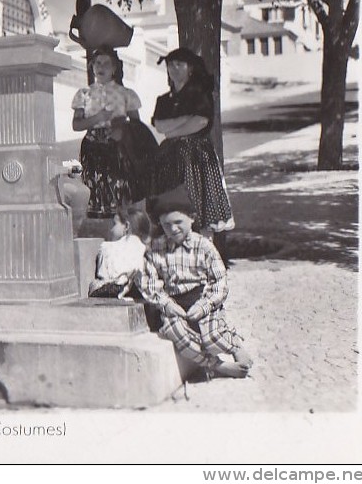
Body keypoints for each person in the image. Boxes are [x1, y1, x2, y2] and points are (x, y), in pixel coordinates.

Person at [137, 197, 252, 379]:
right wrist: (166, 304)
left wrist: (204, 305)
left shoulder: (204, 246)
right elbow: (148, 282)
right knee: (176, 333)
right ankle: (218, 366)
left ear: (192, 218)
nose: (173, 229)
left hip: (201, 299)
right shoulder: (155, 248)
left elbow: (220, 281)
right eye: (167, 224)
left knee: (213, 334)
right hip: (174, 303)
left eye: (178, 222)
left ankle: (235, 345)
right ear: (159, 223)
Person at [149, 47, 235, 236]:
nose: (174, 68)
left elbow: (201, 121)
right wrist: (184, 120)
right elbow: (160, 126)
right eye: (171, 65)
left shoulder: (199, 95)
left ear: (190, 68)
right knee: (171, 203)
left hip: (196, 158)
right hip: (169, 160)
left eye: (179, 64)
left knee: (199, 205)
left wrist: (173, 130)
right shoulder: (163, 100)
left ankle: (203, 250)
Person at [71, 47, 144, 221]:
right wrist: (97, 117)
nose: (101, 67)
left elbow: (137, 126)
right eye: (97, 63)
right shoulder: (84, 94)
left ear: (114, 68)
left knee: (119, 189)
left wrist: (121, 127)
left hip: (117, 147)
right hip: (92, 147)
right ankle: (100, 231)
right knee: (95, 190)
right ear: (92, 66)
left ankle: (122, 228)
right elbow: (76, 124)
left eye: (106, 63)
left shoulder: (126, 94)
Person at [88, 207, 150, 301]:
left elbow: (104, 274)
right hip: (139, 289)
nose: (110, 229)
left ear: (126, 226)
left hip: (114, 289)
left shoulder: (107, 247)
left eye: (114, 224)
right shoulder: (145, 248)